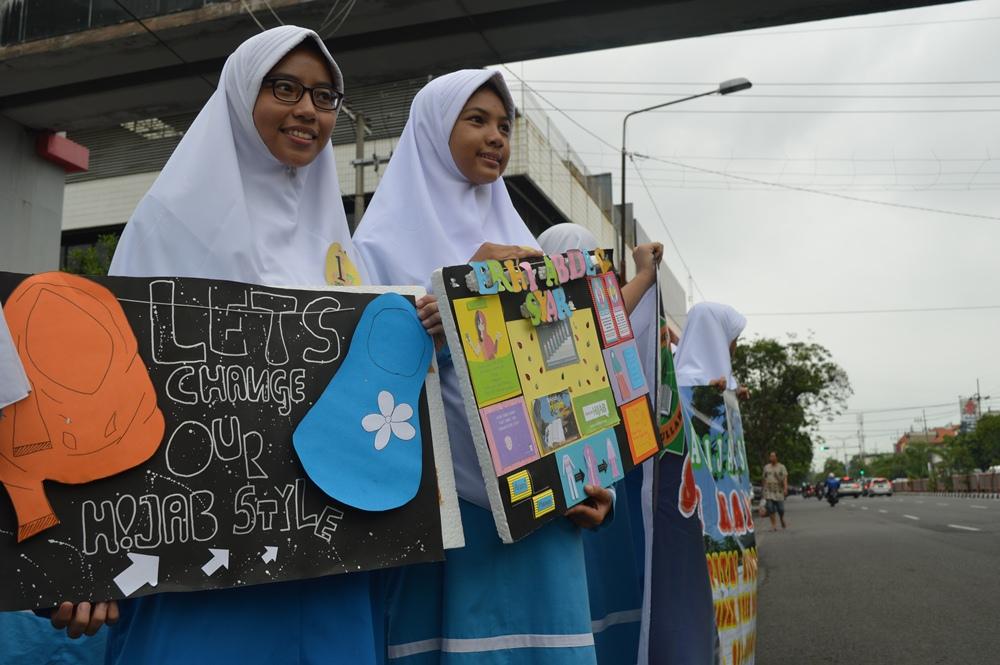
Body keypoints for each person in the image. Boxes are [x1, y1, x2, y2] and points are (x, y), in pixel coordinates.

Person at [45, 26, 384, 664]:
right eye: (285, 88)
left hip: (325, 555)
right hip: (200, 558)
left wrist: (419, 329)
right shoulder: (170, 221)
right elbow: (101, 392)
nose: (308, 109)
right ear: (239, 94)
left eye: (325, 95)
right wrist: (81, 553)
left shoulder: (342, 249)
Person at [354, 70, 610, 664]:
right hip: (440, 524)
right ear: (433, 130)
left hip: (544, 513)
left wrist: (594, 482)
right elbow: (362, 391)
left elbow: (571, 381)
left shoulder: (525, 247)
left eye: (504, 124)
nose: (496, 136)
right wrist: (452, 294)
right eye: (477, 121)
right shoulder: (374, 250)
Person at [537, 222, 663, 665]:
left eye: (593, 262)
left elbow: (602, 316)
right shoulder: (537, 323)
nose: (586, 273)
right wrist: (644, 276)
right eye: (575, 261)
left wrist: (644, 277)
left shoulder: (591, 323)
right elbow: (588, 320)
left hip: (600, 493)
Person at [762, 451, 789, 530]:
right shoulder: (766, 467)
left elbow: (784, 479)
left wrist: (785, 488)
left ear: (777, 457)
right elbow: (764, 478)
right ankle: (773, 525)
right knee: (770, 508)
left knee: (781, 509)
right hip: (769, 490)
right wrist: (763, 489)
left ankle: (781, 518)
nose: (772, 458)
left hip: (778, 490)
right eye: (771, 456)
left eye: (773, 456)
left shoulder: (782, 467)